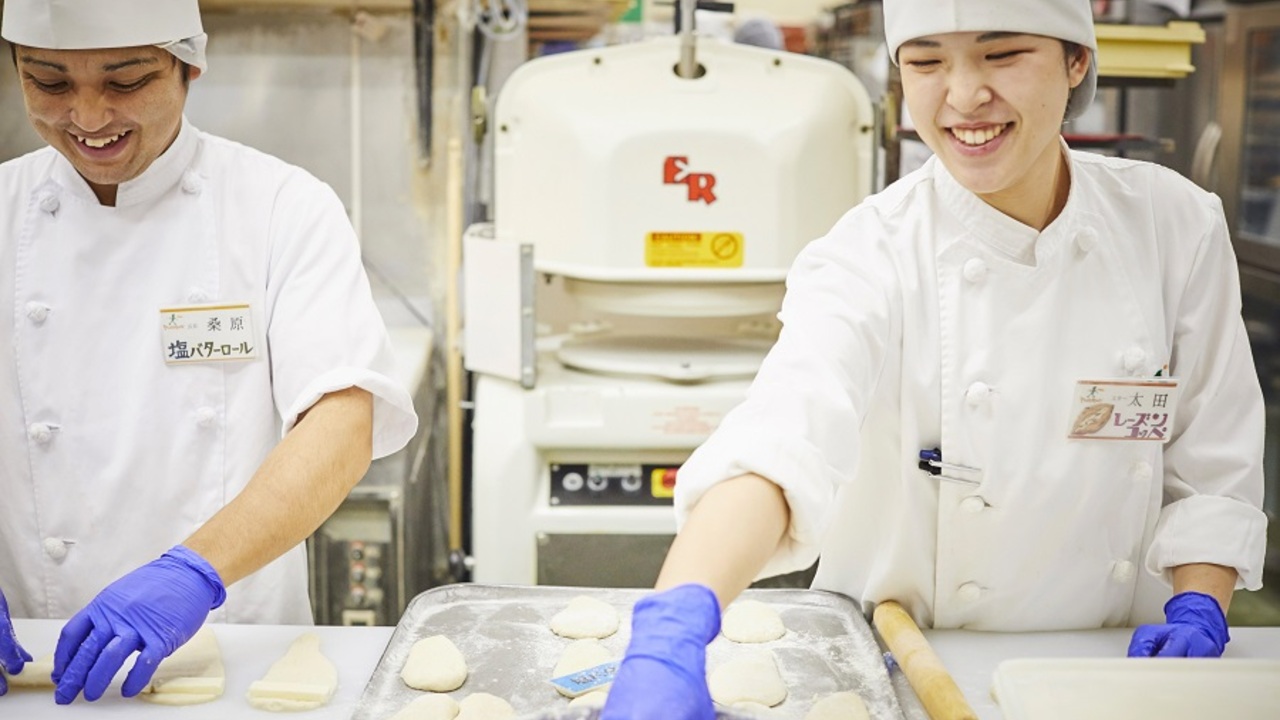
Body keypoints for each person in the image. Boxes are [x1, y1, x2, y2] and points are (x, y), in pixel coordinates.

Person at [602, 0, 1266, 716]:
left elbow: (1211, 464)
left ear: (1077, 62)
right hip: (901, 670)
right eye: (925, 63)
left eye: (1001, 54)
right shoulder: (867, 253)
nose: (962, 96)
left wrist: (1199, 605)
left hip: (1113, 673)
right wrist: (672, 628)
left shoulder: (1174, 227)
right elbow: (781, 438)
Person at [0, 0, 418, 705]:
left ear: (189, 64)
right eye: (50, 82)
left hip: (242, 655)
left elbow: (342, 423)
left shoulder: (282, 206)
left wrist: (193, 573)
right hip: (36, 655)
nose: (90, 116)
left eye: (126, 81)